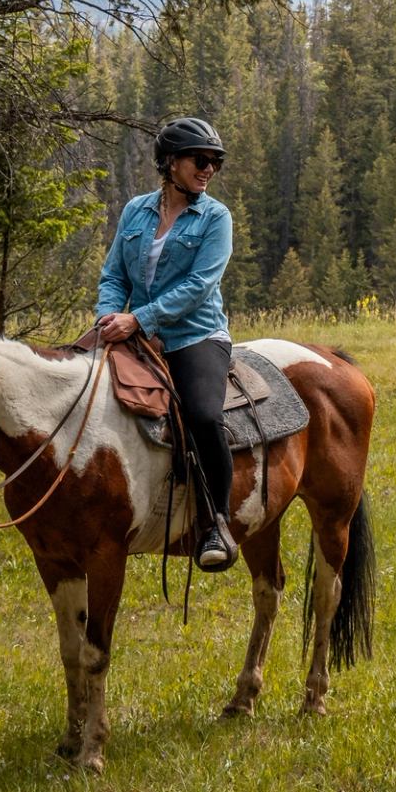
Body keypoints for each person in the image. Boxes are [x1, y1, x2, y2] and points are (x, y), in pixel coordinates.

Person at [96, 117, 238, 571]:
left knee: (202, 413)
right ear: (170, 162)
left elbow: (200, 285)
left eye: (215, 162)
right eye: (200, 159)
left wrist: (138, 318)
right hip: (134, 331)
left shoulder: (216, 217)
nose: (208, 169)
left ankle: (216, 520)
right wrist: (108, 314)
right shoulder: (135, 211)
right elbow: (114, 273)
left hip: (195, 335)